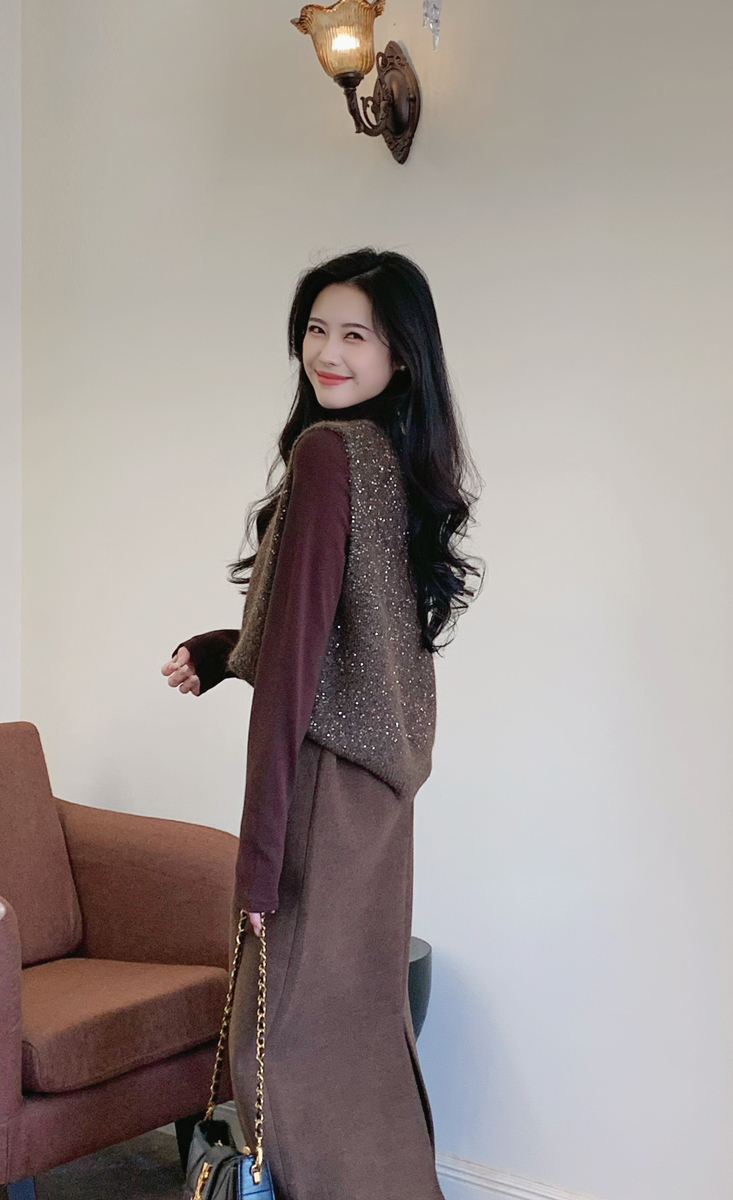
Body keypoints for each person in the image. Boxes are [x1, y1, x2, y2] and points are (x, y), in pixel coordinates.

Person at [160, 248, 480, 1200]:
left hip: (317, 794)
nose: (327, 354)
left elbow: (300, 673)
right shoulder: (392, 458)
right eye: (315, 330)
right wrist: (225, 649)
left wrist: (259, 862)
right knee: (360, 1041)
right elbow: (348, 635)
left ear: (399, 353)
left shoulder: (326, 454)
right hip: (379, 806)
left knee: (281, 1052)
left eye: (355, 335)